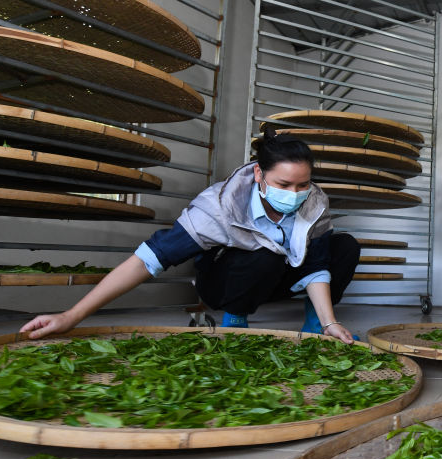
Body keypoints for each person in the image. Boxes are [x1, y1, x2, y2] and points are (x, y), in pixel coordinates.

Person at [21, 130, 360, 343]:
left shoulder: (314, 201)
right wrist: (72, 315)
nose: (294, 194)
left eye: (303, 184)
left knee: (344, 246)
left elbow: (316, 266)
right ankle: (235, 324)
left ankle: (316, 327)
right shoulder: (218, 207)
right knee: (263, 252)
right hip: (225, 286)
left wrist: (329, 320)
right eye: (283, 185)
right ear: (259, 173)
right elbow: (148, 259)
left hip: (275, 282)